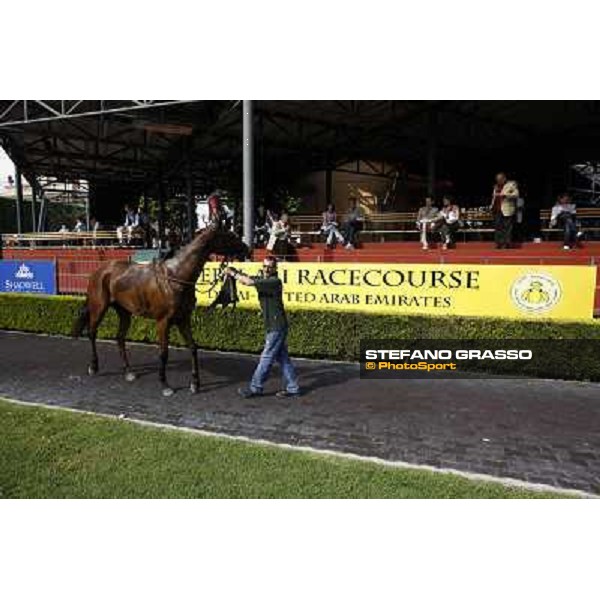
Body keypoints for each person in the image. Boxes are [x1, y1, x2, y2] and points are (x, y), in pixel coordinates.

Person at [226, 255, 300, 398]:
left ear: (275, 269)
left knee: (266, 357)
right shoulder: (265, 280)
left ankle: (255, 387)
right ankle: (293, 387)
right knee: (283, 359)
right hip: (275, 325)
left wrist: (233, 273)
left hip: (276, 326)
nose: (266, 269)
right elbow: (247, 278)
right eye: (264, 266)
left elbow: (248, 282)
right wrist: (236, 272)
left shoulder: (274, 281)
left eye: (269, 267)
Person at [490, 172, 519, 249]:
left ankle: (507, 244)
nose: (498, 181)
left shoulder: (511, 184)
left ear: (504, 178)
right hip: (497, 209)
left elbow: (516, 194)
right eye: (497, 179)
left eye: (500, 179)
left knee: (507, 227)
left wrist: (505, 195)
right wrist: (491, 205)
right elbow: (494, 197)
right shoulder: (496, 186)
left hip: (506, 209)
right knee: (498, 227)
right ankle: (498, 243)